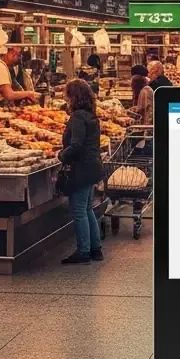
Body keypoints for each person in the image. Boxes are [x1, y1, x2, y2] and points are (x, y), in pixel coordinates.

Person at [59, 78, 104, 264]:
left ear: (74, 97)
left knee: (78, 210)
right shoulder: (91, 115)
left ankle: (84, 251)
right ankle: (95, 249)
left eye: (68, 95)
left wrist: (62, 155)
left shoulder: (77, 117)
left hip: (82, 168)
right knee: (87, 208)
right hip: (92, 165)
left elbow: (76, 145)